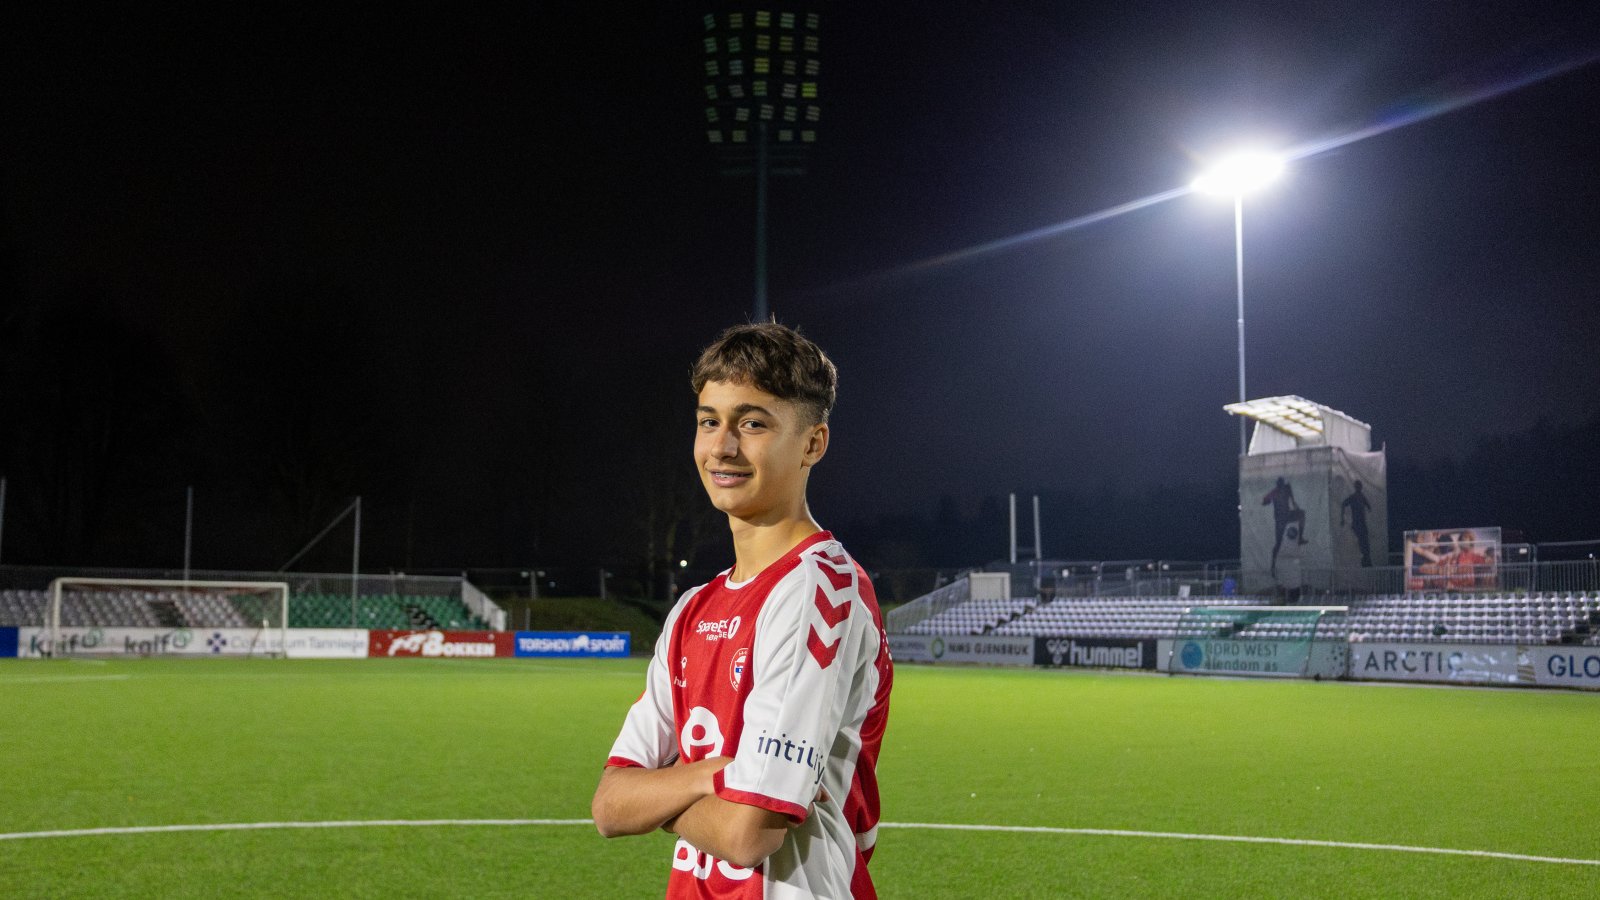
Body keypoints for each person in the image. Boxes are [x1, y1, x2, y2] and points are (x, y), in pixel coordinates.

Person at [592, 323, 893, 899]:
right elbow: (609, 805)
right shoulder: (691, 609)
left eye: (753, 423)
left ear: (813, 444)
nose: (722, 447)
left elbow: (746, 833)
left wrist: (662, 796)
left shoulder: (818, 590)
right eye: (709, 421)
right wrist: (710, 774)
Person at [1262, 476, 1308, 579]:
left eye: (1282, 484)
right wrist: (1267, 501)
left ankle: (1300, 538)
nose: (1281, 486)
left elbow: (1292, 498)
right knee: (1278, 543)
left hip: (1287, 515)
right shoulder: (1274, 492)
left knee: (1301, 514)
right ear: (1278, 485)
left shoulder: (1287, 488)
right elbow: (1265, 501)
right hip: (1280, 520)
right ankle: (1273, 566)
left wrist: (1295, 504)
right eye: (1280, 485)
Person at [1339, 480, 1373, 567]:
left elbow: (1368, 506)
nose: (1359, 488)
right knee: (1361, 542)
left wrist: (1368, 509)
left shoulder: (1362, 497)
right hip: (1357, 524)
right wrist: (1342, 519)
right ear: (1356, 487)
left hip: (1362, 523)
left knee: (1365, 543)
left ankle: (1366, 561)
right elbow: (1343, 504)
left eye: (1360, 486)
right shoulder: (1353, 497)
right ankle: (1364, 561)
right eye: (1358, 486)